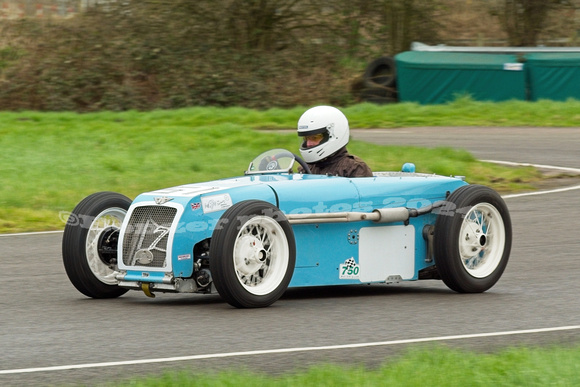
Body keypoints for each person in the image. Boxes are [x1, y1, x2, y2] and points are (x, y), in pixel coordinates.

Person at [297, 106, 373, 177]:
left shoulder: (354, 169)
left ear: (334, 135)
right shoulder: (305, 168)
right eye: (306, 138)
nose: (308, 144)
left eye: (315, 138)